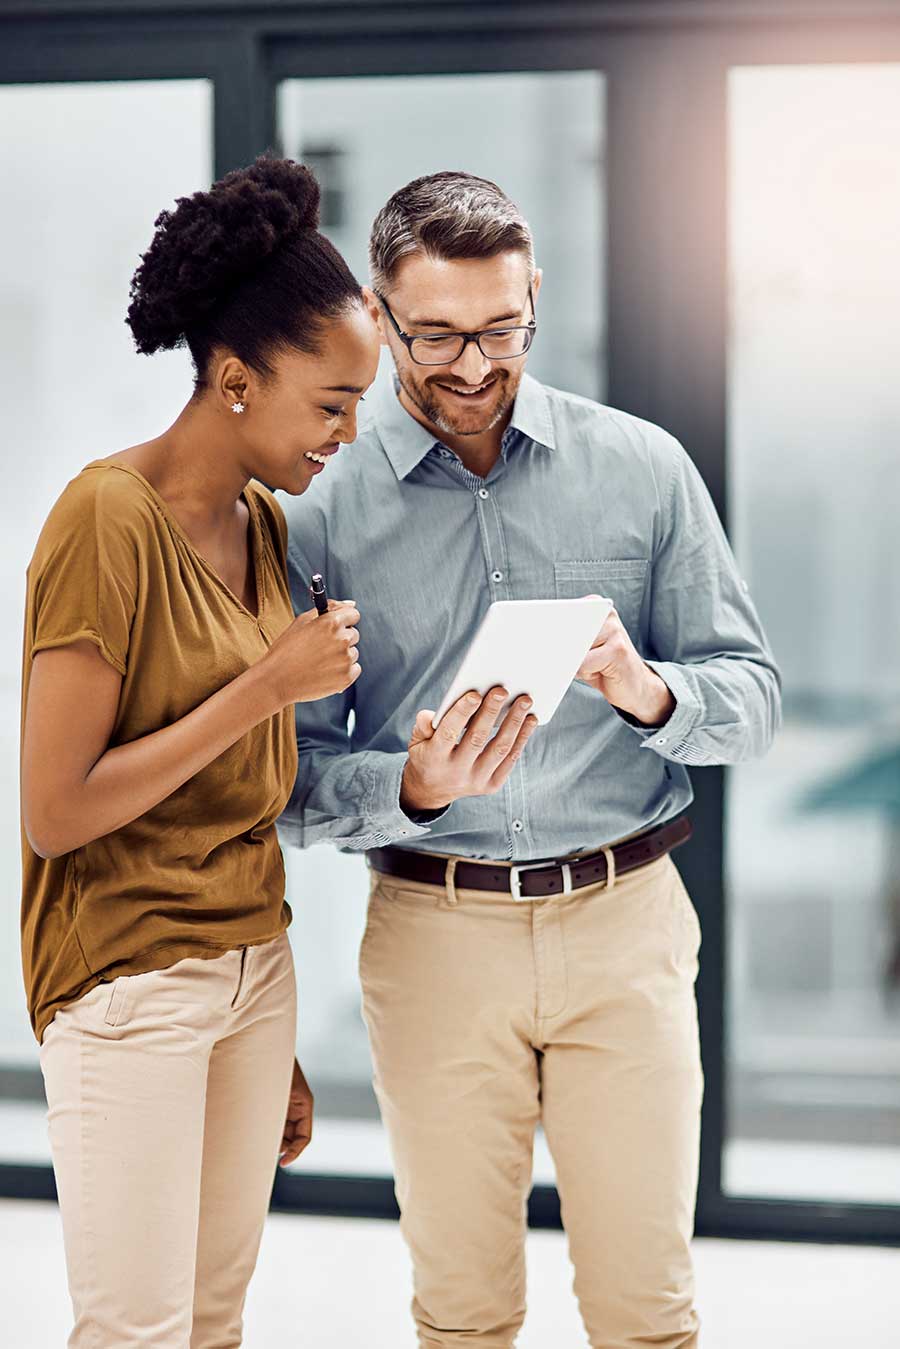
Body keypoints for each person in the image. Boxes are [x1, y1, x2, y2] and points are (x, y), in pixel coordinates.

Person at [279, 170, 781, 1348]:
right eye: (436, 333)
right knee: (462, 1313)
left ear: (535, 297)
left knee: (646, 1309)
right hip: (434, 932)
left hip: (626, 921)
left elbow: (753, 704)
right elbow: (288, 784)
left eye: (501, 329)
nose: (469, 364)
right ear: (378, 308)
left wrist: (646, 688)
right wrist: (408, 784)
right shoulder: (322, 508)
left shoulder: (643, 468)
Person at [20, 154, 378, 1348]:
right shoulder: (103, 521)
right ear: (234, 379)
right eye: (330, 403)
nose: (349, 432)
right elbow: (54, 811)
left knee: (214, 1323)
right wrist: (263, 686)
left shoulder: (267, 527)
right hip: (129, 983)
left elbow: (249, 798)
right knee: (136, 1330)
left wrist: (268, 1028)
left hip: (246, 973)